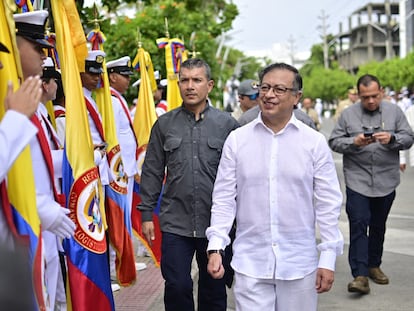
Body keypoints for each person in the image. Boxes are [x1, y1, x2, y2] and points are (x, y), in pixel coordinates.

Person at [206, 62, 343, 311]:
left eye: (279, 89)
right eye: (265, 87)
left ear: (296, 97)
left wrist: (328, 257)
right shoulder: (238, 140)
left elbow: (328, 202)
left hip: (299, 263)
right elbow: (224, 197)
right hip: (250, 262)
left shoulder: (314, 143)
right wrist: (216, 245)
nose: (269, 95)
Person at [138, 58, 239, 311]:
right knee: (177, 286)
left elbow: (242, 176)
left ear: (210, 85)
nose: (190, 86)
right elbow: (151, 170)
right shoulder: (165, 124)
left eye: (197, 80)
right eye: (184, 80)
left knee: (214, 288)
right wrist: (147, 213)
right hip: (175, 222)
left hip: (216, 223)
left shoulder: (228, 125)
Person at [329, 74, 414, 295]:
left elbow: (409, 137)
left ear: (382, 92)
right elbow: (334, 142)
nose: (370, 101)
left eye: (374, 96)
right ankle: (359, 275)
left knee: (378, 225)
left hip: (386, 180)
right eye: (365, 97)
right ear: (358, 95)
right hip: (358, 179)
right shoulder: (348, 114)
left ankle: (374, 265)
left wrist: (392, 139)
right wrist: (353, 142)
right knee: (358, 224)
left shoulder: (394, 112)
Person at [14, 10, 76, 310]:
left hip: (43, 224)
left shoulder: (33, 106)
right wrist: (37, 205)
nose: (43, 56)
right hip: (21, 225)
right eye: (37, 49)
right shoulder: (12, 100)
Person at [106, 56, 147, 271]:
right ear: (112, 77)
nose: (128, 80)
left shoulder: (117, 98)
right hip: (117, 171)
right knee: (117, 217)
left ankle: (124, 260)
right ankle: (115, 266)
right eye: (124, 75)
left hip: (126, 169)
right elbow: (112, 138)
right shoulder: (111, 100)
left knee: (125, 216)